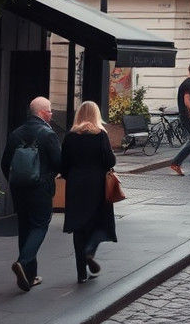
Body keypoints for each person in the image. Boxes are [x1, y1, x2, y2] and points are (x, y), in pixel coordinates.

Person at [0, 95, 62, 292]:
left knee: (25, 227)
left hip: (19, 189)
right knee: (40, 225)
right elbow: (59, 163)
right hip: (40, 188)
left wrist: (16, 180)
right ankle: (23, 261)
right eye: (50, 110)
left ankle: (29, 276)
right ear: (43, 113)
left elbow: (5, 163)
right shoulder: (48, 134)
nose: (52, 114)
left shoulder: (16, 133)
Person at [60, 101, 117, 284]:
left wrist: (72, 176)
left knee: (79, 228)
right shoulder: (101, 135)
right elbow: (109, 161)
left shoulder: (70, 137)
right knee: (99, 222)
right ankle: (90, 251)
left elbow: (64, 164)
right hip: (97, 184)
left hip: (76, 184)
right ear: (96, 115)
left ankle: (81, 273)